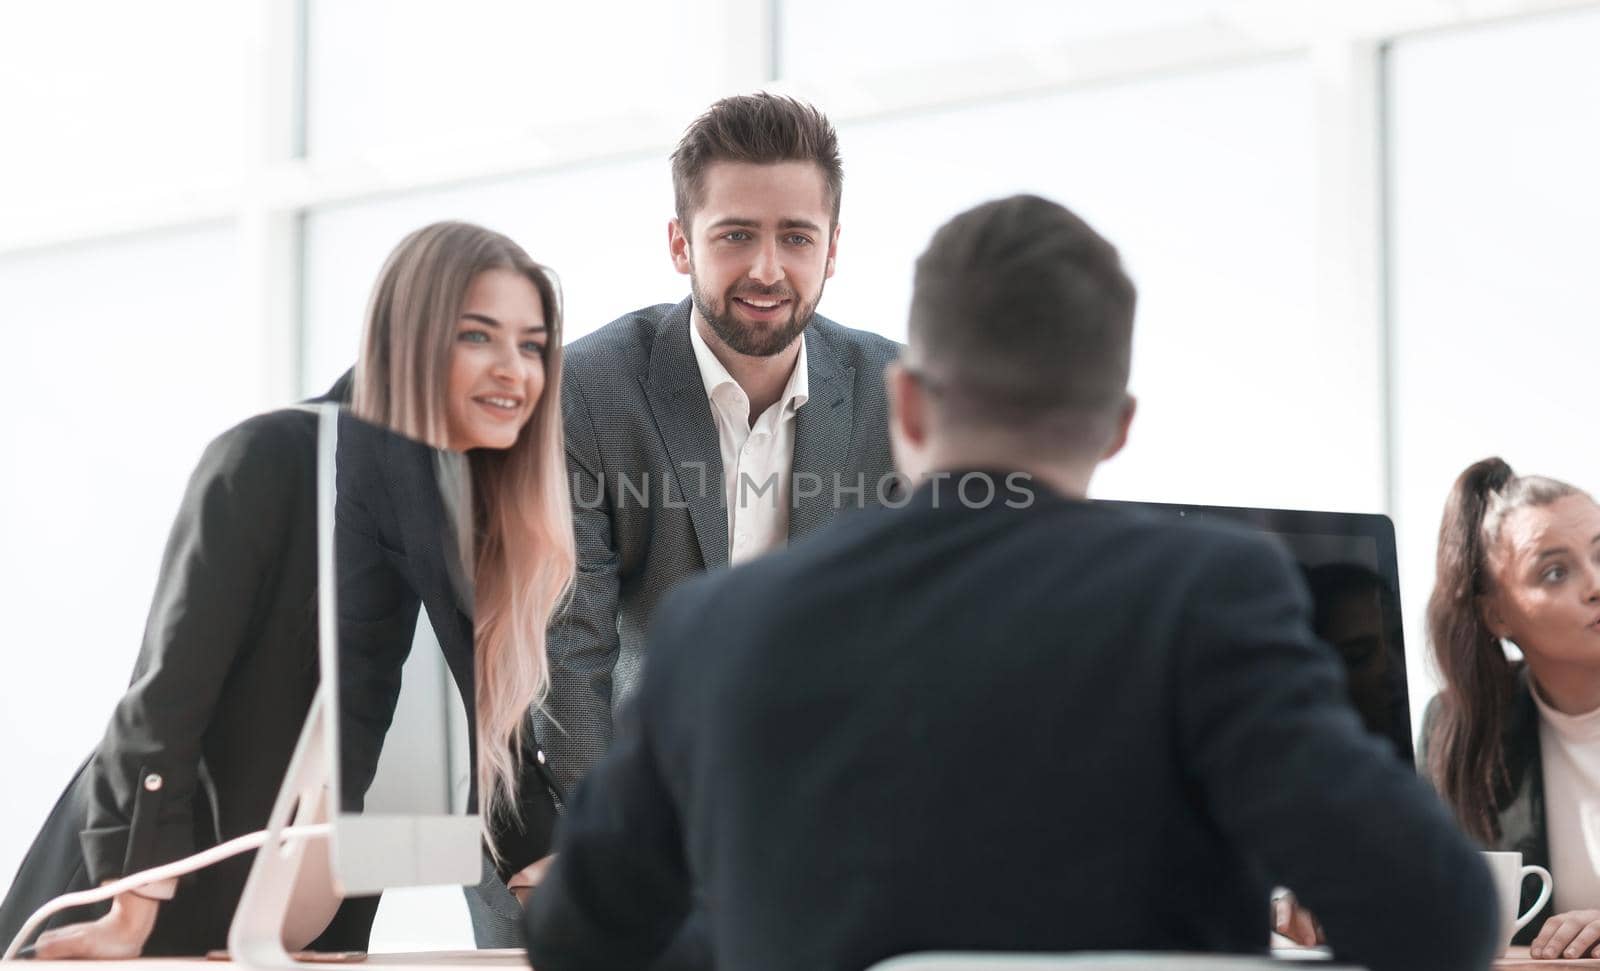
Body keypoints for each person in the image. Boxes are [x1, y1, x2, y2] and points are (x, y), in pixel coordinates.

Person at [521, 194, 1499, 971]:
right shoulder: (1210, 594)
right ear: (1117, 424)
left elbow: (577, 936)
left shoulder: (716, 626)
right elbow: (1440, 917)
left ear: (905, 397)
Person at [0, 221, 573, 959]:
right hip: (135, 915)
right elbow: (163, 704)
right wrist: (129, 912)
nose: (513, 370)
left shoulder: (462, 516)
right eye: (477, 337)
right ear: (409, 336)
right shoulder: (271, 459)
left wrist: (591, 907)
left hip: (284, 931)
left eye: (531, 346)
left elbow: (496, 749)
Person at [538, 92, 900, 805]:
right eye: (736, 236)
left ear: (832, 249)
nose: (767, 269)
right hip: (626, 782)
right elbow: (570, 651)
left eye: (796, 237)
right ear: (681, 244)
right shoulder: (583, 391)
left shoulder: (897, 393)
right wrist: (607, 857)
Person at [1418, 458, 1600, 960]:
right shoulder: (1461, 731)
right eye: (1556, 571)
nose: (1595, 585)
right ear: (1497, 615)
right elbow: (1422, 895)